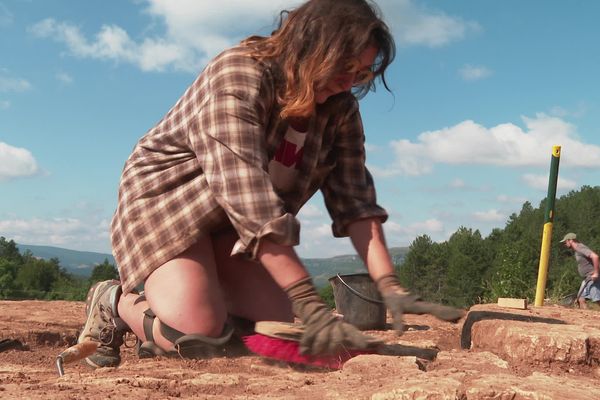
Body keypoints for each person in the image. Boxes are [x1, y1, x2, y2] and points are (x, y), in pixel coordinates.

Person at [78, 0, 464, 368]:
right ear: (311, 44)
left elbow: (356, 202)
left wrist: (389, 284)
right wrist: (309, 303)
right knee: (198, 331)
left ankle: (178, 314)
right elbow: (251, 202)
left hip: (232, 224)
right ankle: (117, 301)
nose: (349, 83)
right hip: (167, 202)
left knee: (266, 326)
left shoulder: (340, 110)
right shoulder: (239, 74)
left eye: (361, 74)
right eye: (343, 66)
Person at [560, 232, 600, 309]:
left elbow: (595, 257)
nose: (565, 244)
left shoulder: (580, 247)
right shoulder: (577, 249)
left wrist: (596, 273)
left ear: (570, 240)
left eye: (565, 242)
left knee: (597, 299)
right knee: (581, 298)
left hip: (592, 277)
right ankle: (586, 317)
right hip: (587, 278)